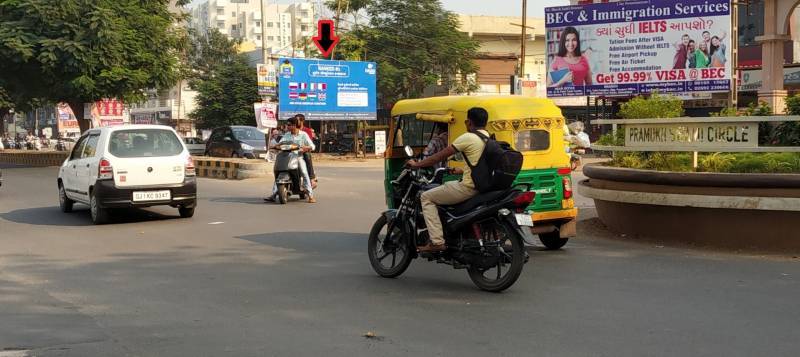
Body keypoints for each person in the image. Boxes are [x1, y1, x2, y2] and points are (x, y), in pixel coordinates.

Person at [406, 107, 489, 252]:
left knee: (426, 197)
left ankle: (437, 241)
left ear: (468, 122)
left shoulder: (468, 137)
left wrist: (416, 164)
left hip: (468, 188)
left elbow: (438, 156)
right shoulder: (488, 138)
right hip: (481, 186)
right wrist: (462, 170)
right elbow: (480, 164)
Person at [265, 117, 316, 203]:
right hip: (286, 157)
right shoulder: (287, 135)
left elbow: (312, 146)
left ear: (294, 125)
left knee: (304, 172)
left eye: (289, 125)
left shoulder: (303, 135)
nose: (287, 126)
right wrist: (275, 146)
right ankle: (273, 194)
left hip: (298, 157)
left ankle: (310, 195)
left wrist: (307, 147)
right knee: (278, 173)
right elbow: (280, 143)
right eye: (287, 125)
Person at [295, 114, 317, 188]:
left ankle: (311, 177)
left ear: (302, 121)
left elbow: (310, 143)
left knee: (307, 155)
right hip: (292, 151)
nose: (296, 122)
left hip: (303, 151)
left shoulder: (307, 131)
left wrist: (305, 147)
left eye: (297, 120)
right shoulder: (291, 130)